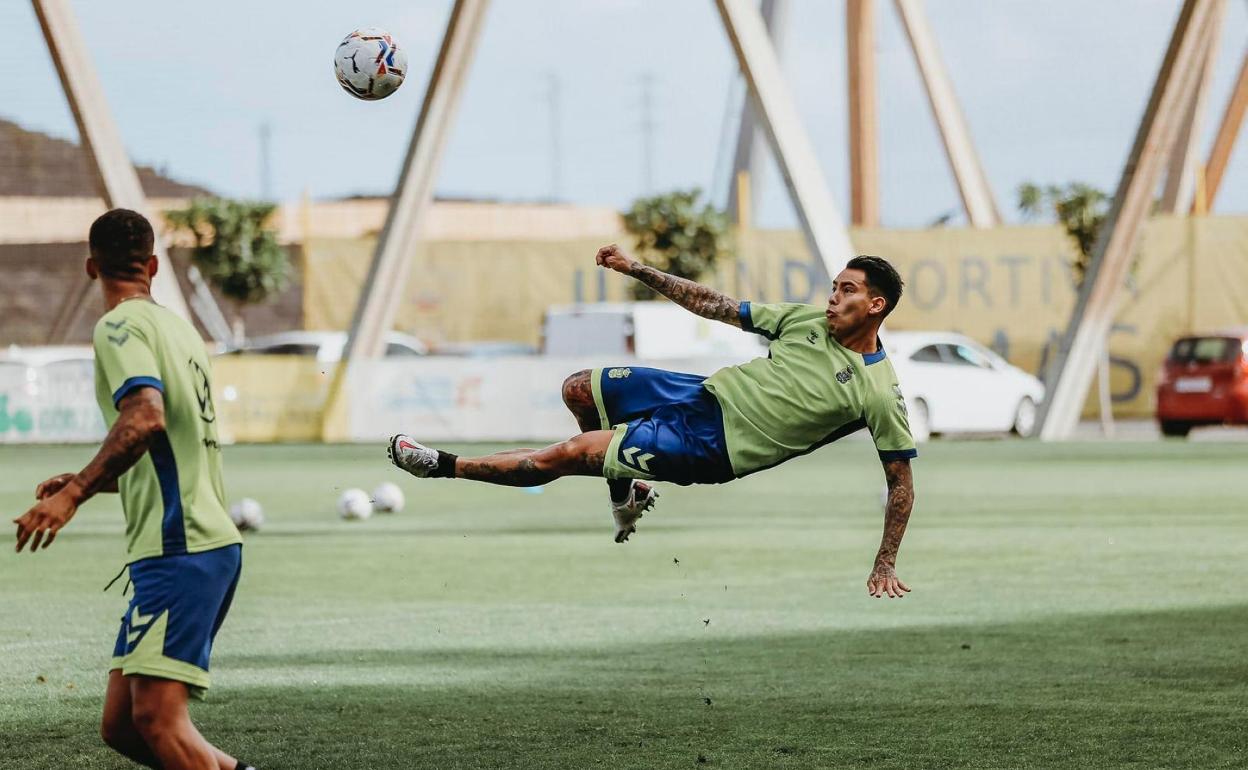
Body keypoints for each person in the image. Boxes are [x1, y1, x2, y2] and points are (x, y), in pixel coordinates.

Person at [390, 244, 917, 599]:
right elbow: (715, 305)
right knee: (578, 386)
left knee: (569, 455)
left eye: (847, 290)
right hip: (700, 395)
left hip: (712, 446)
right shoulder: (805, 322)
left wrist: (885, 562)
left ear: (875, 305)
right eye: (834, 285)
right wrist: (637, 270)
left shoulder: (878, 390)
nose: (832, 296)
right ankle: (623, 494)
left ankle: (441, 465)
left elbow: (900, 485)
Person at [13, 209, 255, 770]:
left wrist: (70, 498)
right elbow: (170, 445)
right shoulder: (179, 330)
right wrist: (86, 480)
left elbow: (145, 418)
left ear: (90, 267)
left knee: (156, 721)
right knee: (123, 726)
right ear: (152, 266)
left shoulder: (117, 326)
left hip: (182, 548)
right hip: (194, 544)